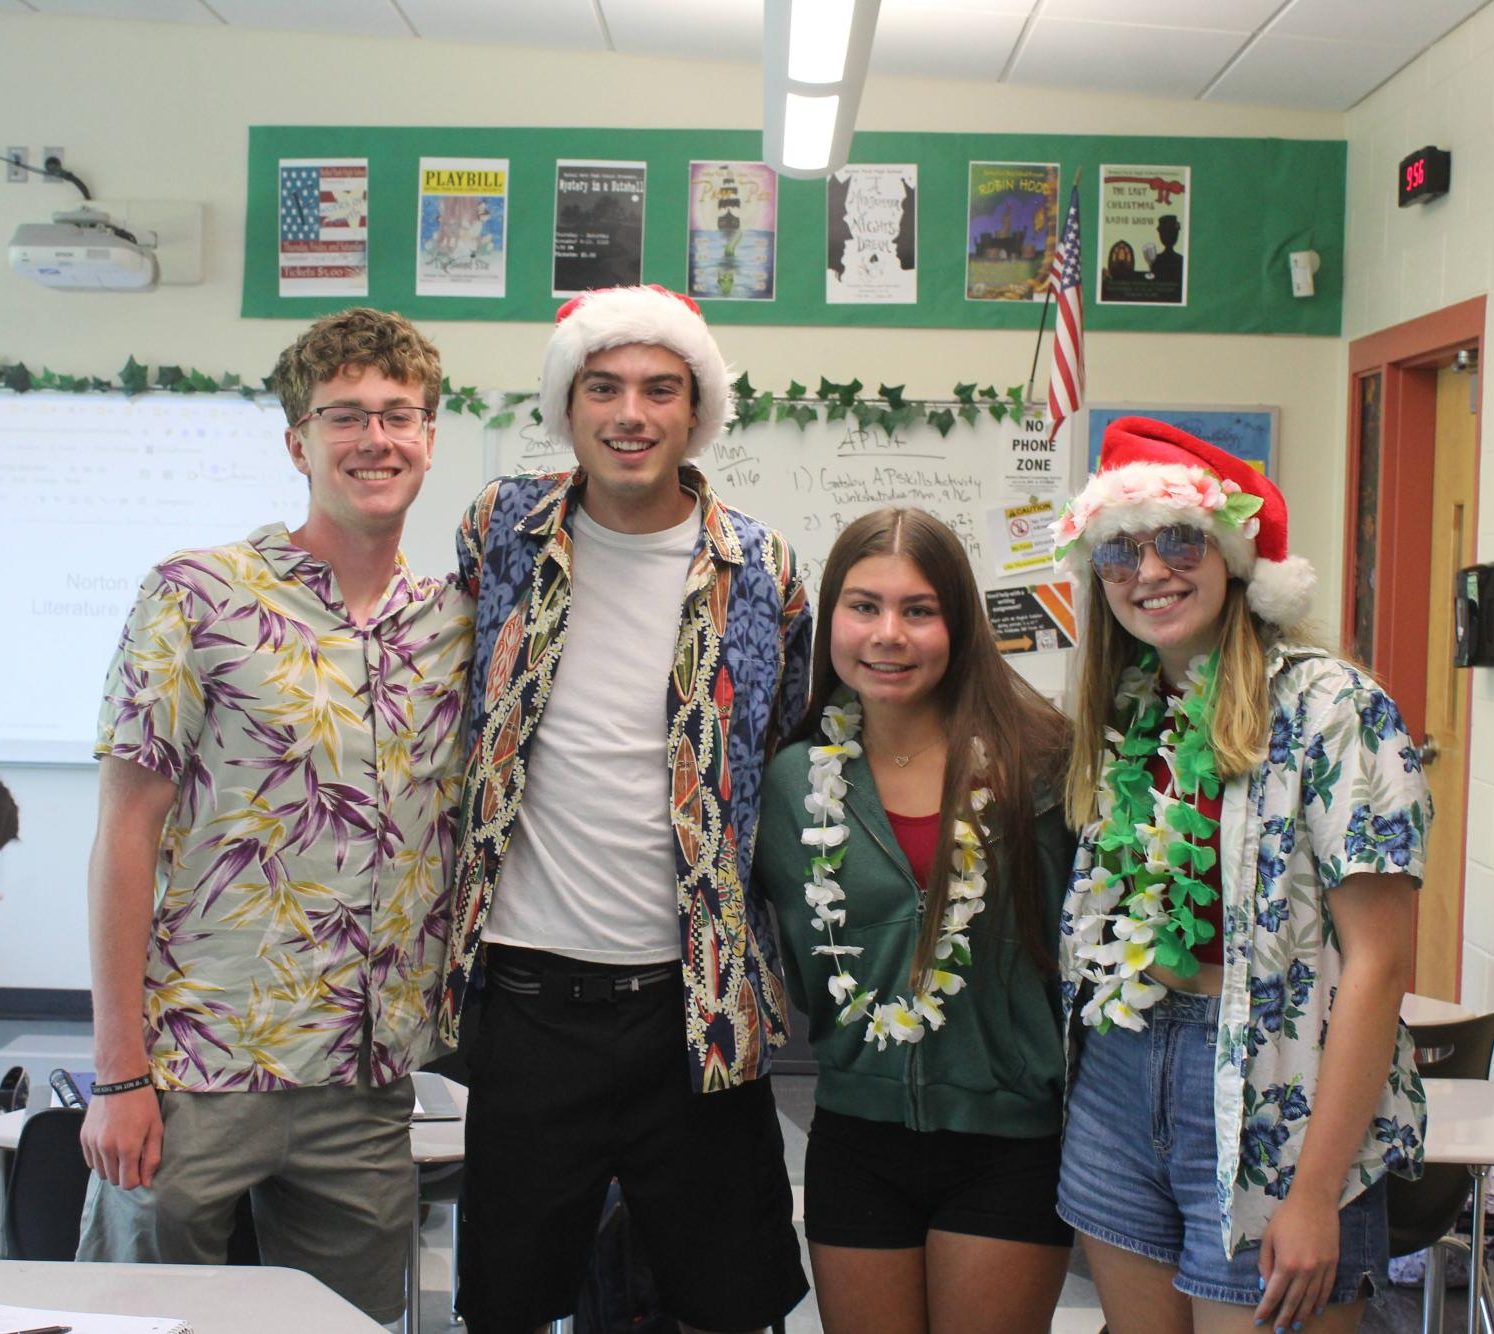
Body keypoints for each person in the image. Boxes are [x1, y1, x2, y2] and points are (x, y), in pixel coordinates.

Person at [76, 308, 473, 1327]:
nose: (375, 438)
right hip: (194, 1069)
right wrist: (118, 1071)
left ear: (431, 437)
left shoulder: (455, 627)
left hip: (366, 1081)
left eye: (399, 414)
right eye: (345, 415)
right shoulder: (198, 596)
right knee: (134, 1319)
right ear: (298, 441)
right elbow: (125, 834)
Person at [441, 284, 811, 1334]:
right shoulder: (502, 530)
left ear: (697, 412)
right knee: (508, 1302)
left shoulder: (765, 568)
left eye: (660, 388)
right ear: (568, 407)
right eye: (602, 387)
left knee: (728, 1300)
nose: (630, 413)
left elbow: (777, 740)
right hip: (526, 997)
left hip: (693, 1007)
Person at [1051, 417, 1431, 1334]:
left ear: (1234, 557)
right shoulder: (1129, 706)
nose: (1150, 573)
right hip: (1120, 1070)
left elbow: (1380, 965)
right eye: (1120, 552)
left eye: (1179, 540)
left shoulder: (1333, 706)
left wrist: (1313, 1192)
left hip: (1274, 1087)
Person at [755, 507, 1076, 1334]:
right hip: (856, 1138)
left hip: (1009, 1139)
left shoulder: (1038, 762)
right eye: (863, 606)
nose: (888, 634)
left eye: (919, 610)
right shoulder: (790, 782)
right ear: (831, 620)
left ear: (958, 624)